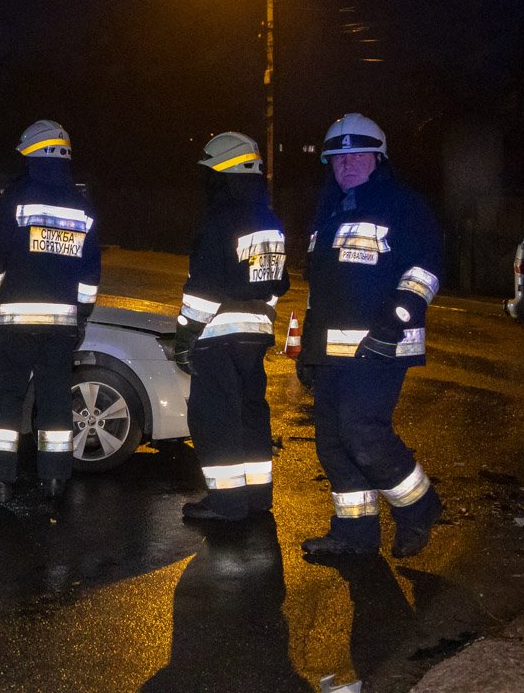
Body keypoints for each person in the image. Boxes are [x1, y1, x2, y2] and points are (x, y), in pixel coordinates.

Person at [297, 113, 444, 558]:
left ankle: (419, 507)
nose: (347, 165)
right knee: (332, 443)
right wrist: (308, 351)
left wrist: (393, 322)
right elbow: (320, 291)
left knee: (362, 433)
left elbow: (423, 272)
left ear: (379, 159)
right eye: (338, 158)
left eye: (357, 155)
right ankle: (355, 534)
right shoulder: (329, 213)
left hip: (382, 346)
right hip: (331, 354)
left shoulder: (403, 205)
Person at [0, 120, 101, 503]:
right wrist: (81, 315)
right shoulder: (82, 206)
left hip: (16, 323)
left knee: (5, 397)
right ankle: (55, 479)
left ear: (33, 155)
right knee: (55, 398)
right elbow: (90, 273)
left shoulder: (16, 198)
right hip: (61, 326)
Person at [176, 132, 289, 522]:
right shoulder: (269, 219)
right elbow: (277, 283)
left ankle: (226, 504)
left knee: (215, 418)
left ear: (223, 175)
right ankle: (257, 496)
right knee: (251, 414)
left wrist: (186, 335)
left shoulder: (219, 219)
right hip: (255, 337)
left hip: (217, 336)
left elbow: (203, 288)